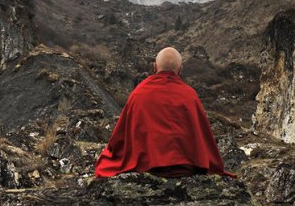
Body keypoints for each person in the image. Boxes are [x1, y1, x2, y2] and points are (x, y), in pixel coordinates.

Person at [94, 47, 232, 178]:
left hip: (148, 166)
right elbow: (205, 138)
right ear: (180, 69)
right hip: (187, 168)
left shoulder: (139, 93)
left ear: (154, 67)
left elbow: (119, 138)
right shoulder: (190, 95)